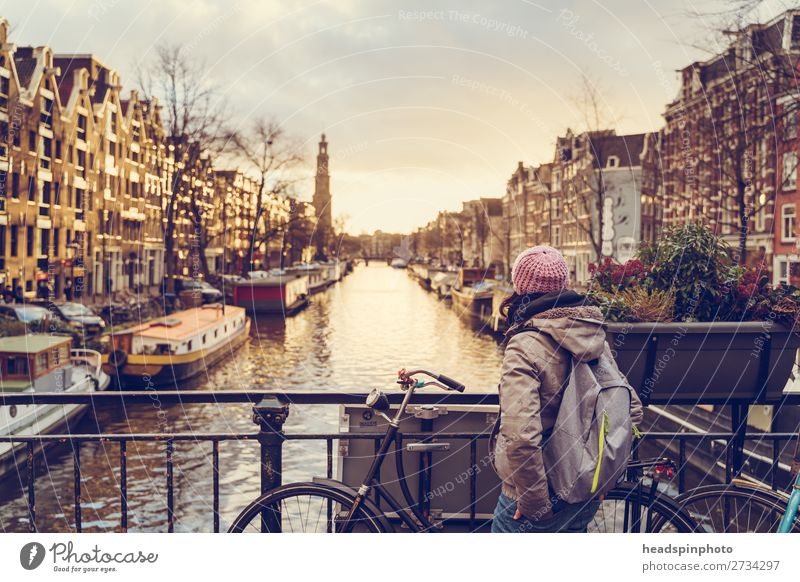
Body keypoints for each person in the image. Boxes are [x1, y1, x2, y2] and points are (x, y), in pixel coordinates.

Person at [491, 245, 642, 533]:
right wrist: (600, 476)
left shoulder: (524, 345)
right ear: (564, 284)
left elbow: (521, 436)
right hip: (581, 492)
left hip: (534, 499)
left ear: (519, 286)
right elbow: (630, 408)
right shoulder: (593, 335)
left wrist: (537, 505)